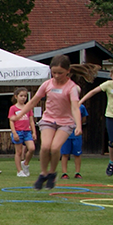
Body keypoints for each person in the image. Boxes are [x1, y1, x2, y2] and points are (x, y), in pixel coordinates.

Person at [10, 55, 99, 190]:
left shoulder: (72, 87)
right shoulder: (47, 84)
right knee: (45, 147)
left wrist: (78, 125)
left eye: (60, 73)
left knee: (55, 148)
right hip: (48, 120)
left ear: (68, 71)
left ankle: (52, 173)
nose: (57, 76)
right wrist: (19, 115)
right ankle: (43, 173)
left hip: (66, 122)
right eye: (54, 72)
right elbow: (33, 101)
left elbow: (75, 107)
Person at [8, 88, 37, 177]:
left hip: (27, 131)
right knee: (19, 152)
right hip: (18, 131)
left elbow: (31, 121)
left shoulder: (28, 107)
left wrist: (34, 132)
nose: (23, 98)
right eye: (21, 96)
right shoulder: (13, 108)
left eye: (25, 96)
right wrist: (14, 133)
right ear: (16, 96)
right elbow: (11, 121)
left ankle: (25, 163)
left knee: (32, 148)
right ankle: (19, 171)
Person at [59, 103, 88, 179]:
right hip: (65, 134)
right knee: (65, 154)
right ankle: (64, 173)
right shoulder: (64, 105)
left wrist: (78, 126)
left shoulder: (81, 107)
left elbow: (84, 118)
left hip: (76, 135)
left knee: (77, 154)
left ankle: (77, 172)